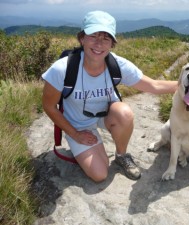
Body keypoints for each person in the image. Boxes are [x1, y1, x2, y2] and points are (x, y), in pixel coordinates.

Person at [42, 10, 177, 182]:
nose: (99, 44)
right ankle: (83, 148)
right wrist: (76, 134)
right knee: (100, 174)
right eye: (93, 36)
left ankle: (121, 155)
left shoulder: (117, 65)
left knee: (125, 113)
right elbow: (49, 106)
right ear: (82, 38)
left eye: (106, 38)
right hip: (78, 125)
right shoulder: (62, 69)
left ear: (112, 44)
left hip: (105, 116)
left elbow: (154, 85)